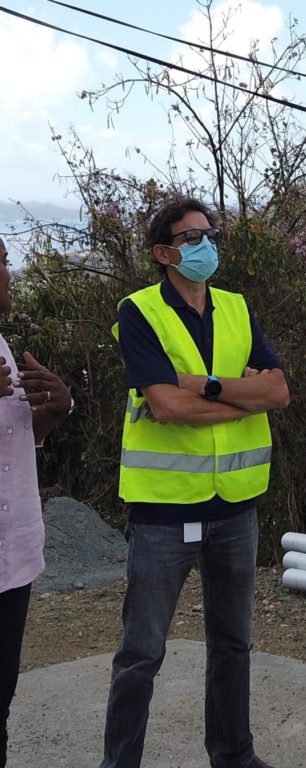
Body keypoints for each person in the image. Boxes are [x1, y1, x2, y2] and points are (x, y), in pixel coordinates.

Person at [100, 198, 289, 768]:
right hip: (164, 509)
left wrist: (202, 385)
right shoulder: (138, 311)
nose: (206, 245)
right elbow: (164, 406)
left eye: (211, 234)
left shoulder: (236, 308)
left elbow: (278, 392)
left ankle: (235, 756)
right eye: (192, 238)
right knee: (141, 652)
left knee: (233, 644)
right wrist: (240, 395)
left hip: (236, 506)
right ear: (164, 253)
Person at [0, 237, 72, 767]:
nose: (8, 272)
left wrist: (55, 407)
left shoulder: (2, 345)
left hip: (12, 556)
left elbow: (19, 438)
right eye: (2, 262)